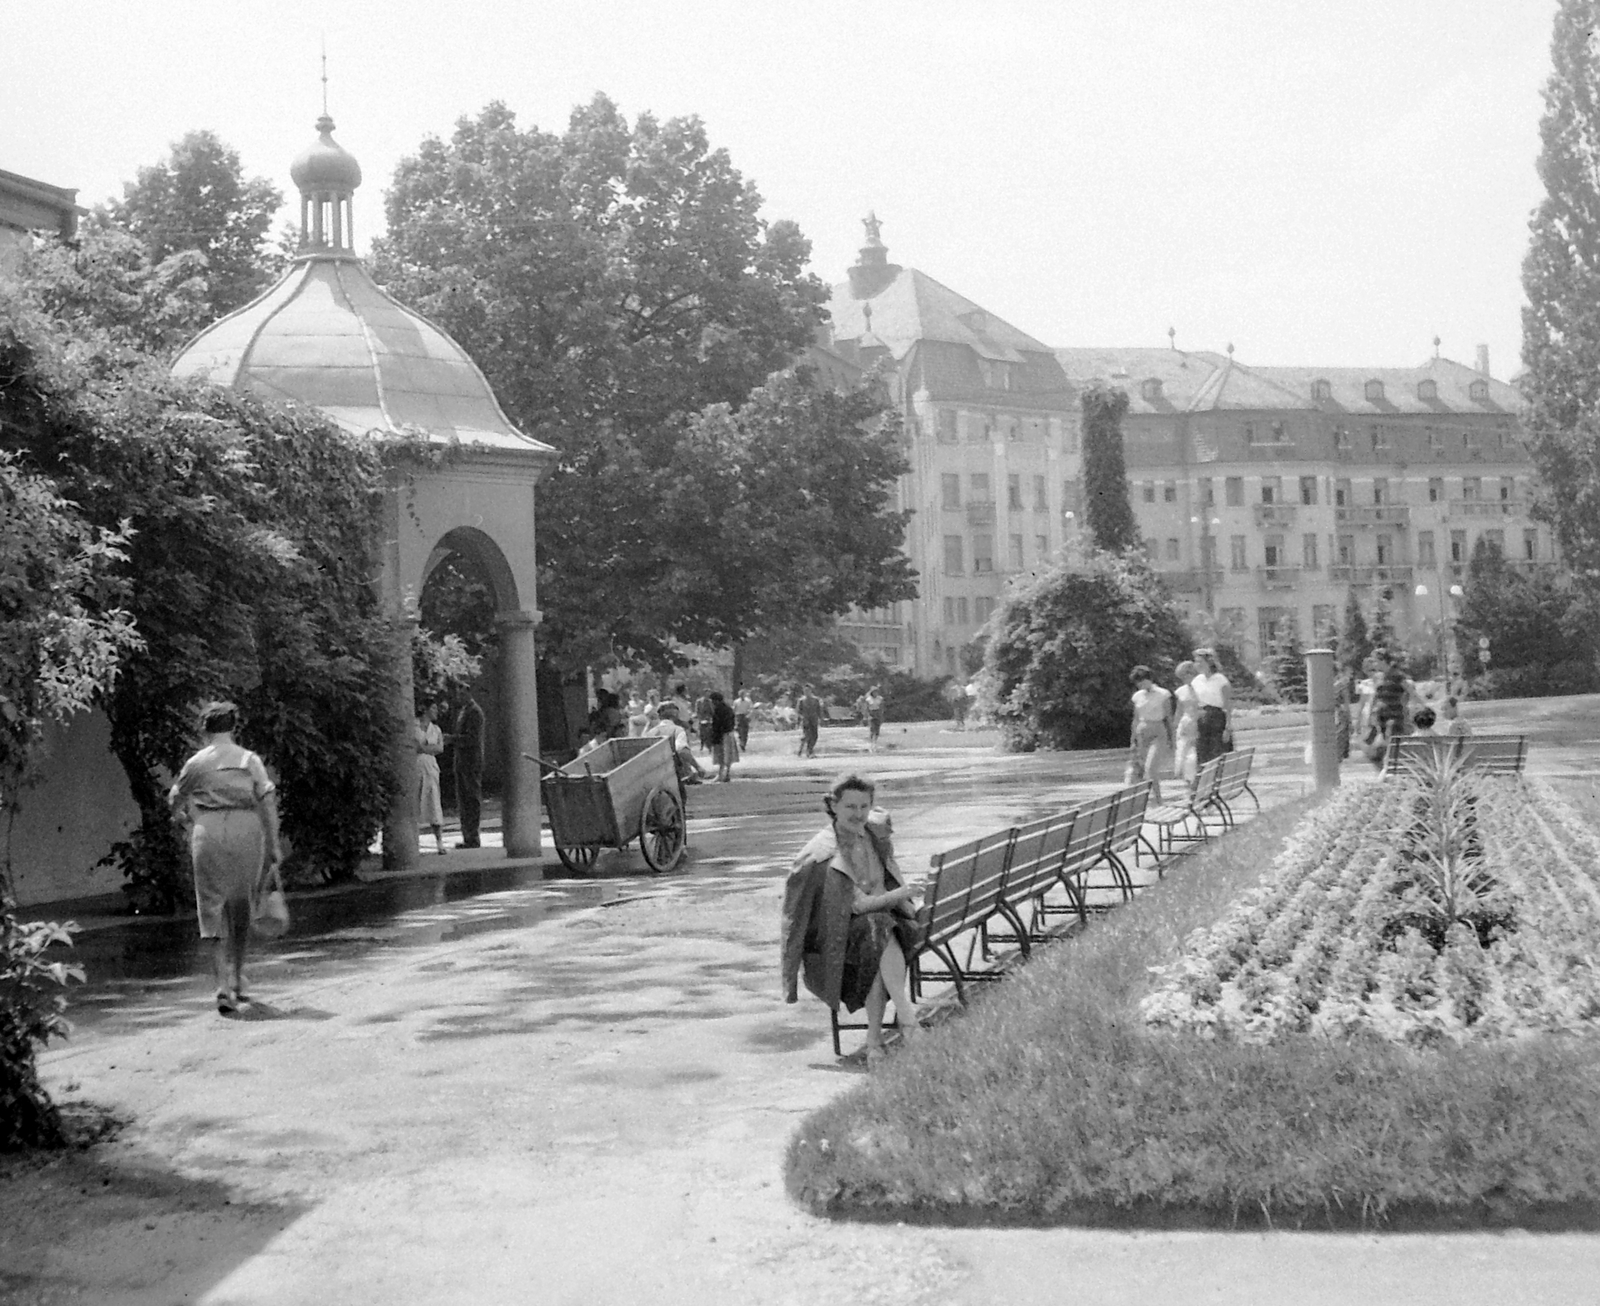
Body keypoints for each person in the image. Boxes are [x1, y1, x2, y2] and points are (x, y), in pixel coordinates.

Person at [780, 773, 922, 1065]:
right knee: (878, 929)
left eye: (864, 806)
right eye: (850, 807)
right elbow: (859, 906)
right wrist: (904, 894)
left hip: (876, 935)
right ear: (833, 806)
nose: (858, 814)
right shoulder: (823, 854)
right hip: (833, 950)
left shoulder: (873, 834)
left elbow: (882, 886)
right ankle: (905, 1020)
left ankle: (876, 1041)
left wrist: (899, 898)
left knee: (879, 933)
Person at [168, 701, 283, 1014]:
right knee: (241, 904)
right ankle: (237, 977)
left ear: (204, 729)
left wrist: (187, 818)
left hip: (209, 830)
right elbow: (267, 802)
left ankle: (220, 985)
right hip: (247, 829)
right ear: (233, 727)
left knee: (211, 907)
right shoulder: (249, 760)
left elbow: (174, 799)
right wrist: (273, 844)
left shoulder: (196, 763)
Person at [1128, 666, 1174, 803]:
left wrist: (1172, 739)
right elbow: (1135, 719)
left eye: (1142, 681)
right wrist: (1133, 739)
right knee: (1140, 769)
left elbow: (1169, 718)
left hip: (1158, 730)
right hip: (1142, 731)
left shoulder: (1163, 694)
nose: (1140, 685)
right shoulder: (1137, 696)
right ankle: (1141, 802)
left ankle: (1159, 800)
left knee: (1151, 768)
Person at [645, 701, 707, 792]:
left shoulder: (650, 733)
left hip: (654, 774)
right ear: (676, 715)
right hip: (672, 773)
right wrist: (698, 767)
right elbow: (681, 750)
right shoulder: (677, 730)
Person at [1367, 653, 1416, 767]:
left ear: (1383, 661)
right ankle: (1388, 766)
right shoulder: (1378, 677)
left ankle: (1393, 766)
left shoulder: (1397, 675)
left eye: (1376, 661)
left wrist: (1421, 705)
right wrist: (1371, 714)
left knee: (1392, 741)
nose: (1374, 664)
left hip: (1395, 715)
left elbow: (1410, 691)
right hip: (1381, 716)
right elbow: (1375, 697)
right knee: (1382, 743)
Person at [452, 692, 485, 849]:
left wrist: (453, 739)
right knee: (464, 798)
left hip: (471, 760)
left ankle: (473, 836)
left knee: (471, 797)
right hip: (462, 760)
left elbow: (472, 738)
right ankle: (467, 835)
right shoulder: (464, 711)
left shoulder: (474, 712)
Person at [415, 701, 447, 855]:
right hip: (416, 766)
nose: (436, 711)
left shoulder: (436, 730)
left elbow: (440, 748)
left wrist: (425, 748)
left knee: (434, 802)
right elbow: (414, 746)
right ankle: (415, 842)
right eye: (433, 708)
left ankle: (439, 842)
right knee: (415, 802)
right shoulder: (414, 727)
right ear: (424, 709)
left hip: (431, 767)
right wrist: (428, 749)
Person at [1190, 648, 1232, 769]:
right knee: (1202, 753)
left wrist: (1228, 727)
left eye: (1200, 662)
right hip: (1202, 717)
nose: (1197, 665)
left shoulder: (1220, 680)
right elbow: (1194, 703)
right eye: (1196, 662)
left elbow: (1227, 705)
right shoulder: (1197, 681)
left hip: (1217, 718)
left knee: (1217, 753)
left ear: (1209, 662)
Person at [1170, 659, 1200, 789]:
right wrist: (1175, 728)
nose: (1184, 679)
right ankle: (1188, 785)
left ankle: (1196, 785)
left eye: (1185, 676)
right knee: (1182, 757)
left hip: (1198, 724)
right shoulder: (1181, 691)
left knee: (1194, 759)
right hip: (1185, 725)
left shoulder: (1201, 689)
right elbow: (1179, 711)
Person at [708, 689, 739, 783]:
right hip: (728, 733)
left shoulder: (719, 710)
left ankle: (722, 774)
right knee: (727, 755)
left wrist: (715, 735)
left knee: (722, 755)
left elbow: (718, 724)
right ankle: (726, 774)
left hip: (723, 734)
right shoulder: (728, 708)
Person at [796, 684, 823, 758]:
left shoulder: (816, 700)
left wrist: (821, 718)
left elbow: (819, 710)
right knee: (807, 735)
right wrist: (798, 721)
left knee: (815, 736)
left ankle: (806, 750)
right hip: (806, 720)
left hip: (814, 720)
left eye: (808, 690)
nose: (806, 692)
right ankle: (808, 751)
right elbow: (798, 712)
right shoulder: (801, 700)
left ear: (811, 691)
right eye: (805, 691)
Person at [862, 684, 886, 753]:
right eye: (874, 692)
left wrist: (881, 715)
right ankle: (871, 745)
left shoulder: (880, 699)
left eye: (876, 692)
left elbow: (882, 707)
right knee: (872, 729)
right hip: (871, 714)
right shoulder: (868, 699)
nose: (876, 693)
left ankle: (875, 743)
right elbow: (866, 708)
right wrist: (866, 716)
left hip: (878, 714)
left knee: (877, 731)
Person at [694, 690, 715, 756]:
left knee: (709, 733)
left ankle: (709, 746)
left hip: (708, 719)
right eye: (706, 694)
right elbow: (697, 710)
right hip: (701, 719)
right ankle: (702, 745)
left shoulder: (710, 701)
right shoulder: (699, 701)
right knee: (702, 733)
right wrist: (699, 717)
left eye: (708, 694)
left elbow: (712, 711)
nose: (707, 695)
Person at [733, 686, 754, 751]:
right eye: (740, 694)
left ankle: (743, 743)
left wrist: (749, 716)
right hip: (739, 716)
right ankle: (741, 742)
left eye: (743, 694)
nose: (741, 695)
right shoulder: (736, 701)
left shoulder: (748, 701)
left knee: (745, 731)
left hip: (745, 716)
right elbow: (734, 709)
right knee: (739, 730)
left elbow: (751, 709)